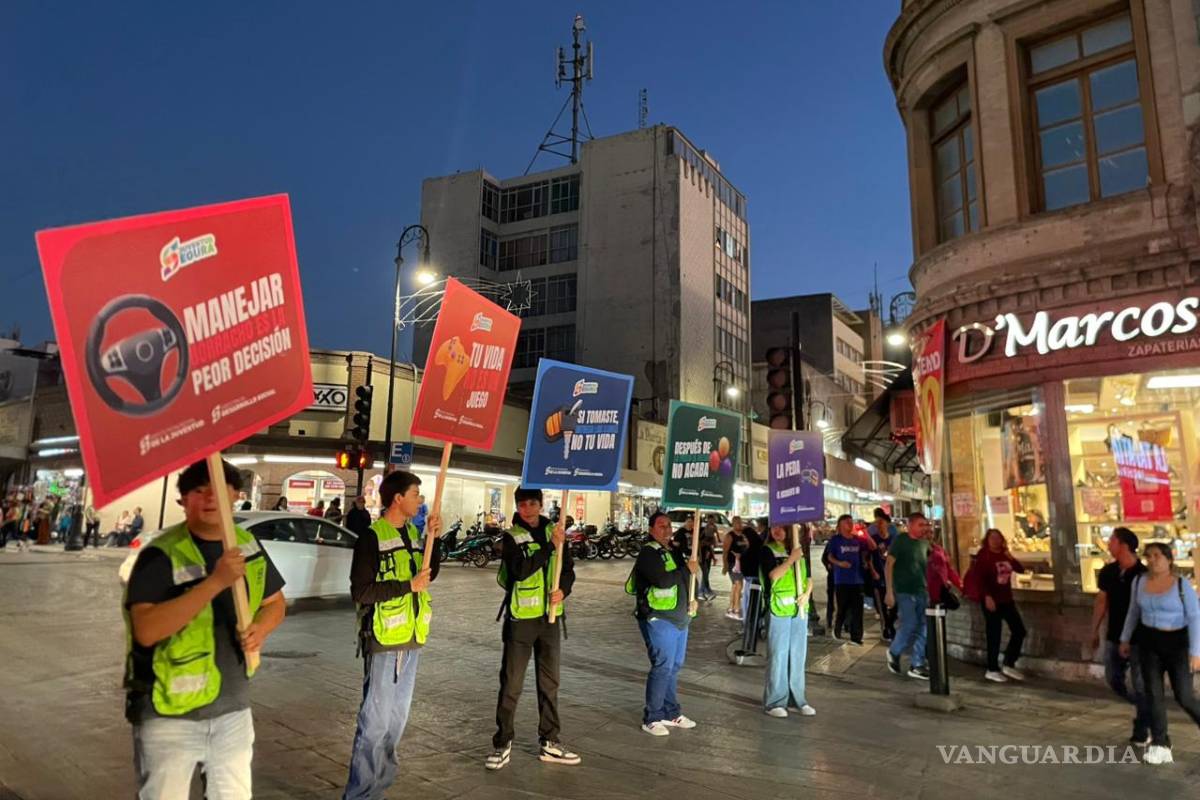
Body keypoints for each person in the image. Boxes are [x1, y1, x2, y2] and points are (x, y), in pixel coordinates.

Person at [124, 459, 287, 799]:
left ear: (236, 496)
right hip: (168, 713)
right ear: (182, 501)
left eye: (218, 489)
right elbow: (147, 630)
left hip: (233, 709)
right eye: (198, 490)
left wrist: (261, 627)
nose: (209, 498)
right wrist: (215, 582)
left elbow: (275, 603)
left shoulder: (248, 545)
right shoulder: (160, 555)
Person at [343, 470, 442, 799]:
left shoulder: (414, 533)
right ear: (398, 498)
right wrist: (406, 586)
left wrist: (433, 540)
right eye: (416, 494)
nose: (420, 500)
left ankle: (379, 788)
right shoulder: (372, 538)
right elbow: (361, 591)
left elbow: (428, 575)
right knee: (375, 722)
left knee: (396, 722)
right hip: (384, 642)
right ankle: (360, 794)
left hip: (412, 640)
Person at [486, 488, 579, 771]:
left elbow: (569, 570)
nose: (527, 509)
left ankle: (550, 740)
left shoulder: (556, 531)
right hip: (521, 621)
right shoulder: (512, 536)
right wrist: (549, 547)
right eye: (522, 504)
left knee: (550, 684)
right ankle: (502, 743)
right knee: (511, 684)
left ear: (541, 505)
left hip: (550, 620)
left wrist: (563, 590)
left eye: (532, 504)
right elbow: (520, 570)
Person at [1119, 543, 1200, 765]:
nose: (1152, 560)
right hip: (1149, 642)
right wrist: (1125, 638)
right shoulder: (1140, 582)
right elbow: (1133, 611)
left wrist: (1196, 652)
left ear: (1169, 558)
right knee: (1153, 694)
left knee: (1184, 695)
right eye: (1149, 556)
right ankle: (1161, 742)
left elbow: (1194, 617)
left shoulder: (1181, 585)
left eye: (1157, 555)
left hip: (1176, 643)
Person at [628, 511, 698, 736]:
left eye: (668, 525)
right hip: (659, 619)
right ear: (651, 530)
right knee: (663, 666)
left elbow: (685, 580)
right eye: (661, 526)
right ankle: (653, 716)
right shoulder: (648, 553)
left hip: (680, 618)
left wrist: (692, 600)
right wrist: (686, 569)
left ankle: (671, 712)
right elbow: (662, 580)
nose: (666, 529)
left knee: (675, 666)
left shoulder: (674, 551)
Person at [1091, 527, 1150, 745]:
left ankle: (1143, 726)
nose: (1108, 544)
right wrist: (1094, 630)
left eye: (1111, 540)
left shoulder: (1143, 574)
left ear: (1123, 545)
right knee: (1113, 679)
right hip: (1114, 634)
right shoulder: (1108, 572)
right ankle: (1146, 708)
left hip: (1139, 638)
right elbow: (1101, 602)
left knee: (1140, 682)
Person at [760, 524, 816, 718]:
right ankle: (775, 702)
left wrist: (807, 595)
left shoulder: (798, 549)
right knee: (779, 655)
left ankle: (797, 700)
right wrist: (791, 559)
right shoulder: (767, 551)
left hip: (799, 610)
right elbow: (773, 576)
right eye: (774, 527)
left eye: (781, 527)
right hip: (778, 610)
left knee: (798, 656)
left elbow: (809, 578)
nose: (777, 531)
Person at [972, 529, 1027, 682]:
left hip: (1006, 599)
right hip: (991, 600)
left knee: (1019, 630)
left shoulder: (1004, 555)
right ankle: (992, 668)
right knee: (994, 634)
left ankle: (1009, 662)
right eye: (992, 538)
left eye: (998, 538)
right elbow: (979, 579)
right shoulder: (983, 556)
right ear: (987, 540)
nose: (996, 541)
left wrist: (1011, 557)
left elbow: (1020, 570)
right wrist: (987, 596)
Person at [885, 512, 932, 680]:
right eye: (920, 525)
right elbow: (889, 564)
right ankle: (894, 651)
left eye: (926, 524)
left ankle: (917, 663)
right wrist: (889, 591)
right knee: (910, 623)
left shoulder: (925, 543)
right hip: (905, 590)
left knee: (924, 627)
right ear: (910, 525)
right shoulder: (901, 541)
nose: (924, 528)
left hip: (922, 590)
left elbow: (928, 564)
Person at [826, 515, 866, 645]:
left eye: (851, 521)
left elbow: (871, 547)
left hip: (857, 579)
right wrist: (839, 563)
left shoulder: (857, 540)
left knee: (857, 609)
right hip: (842, 580)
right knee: (842, 607)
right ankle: (837, 629)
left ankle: (857, 636)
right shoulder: (835, 540)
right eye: (846, 522)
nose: (850, 524)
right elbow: (829, 556)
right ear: (840, 525)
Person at [868, 508, 897, 640]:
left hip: (893, 578)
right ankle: (887, 628)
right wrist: (873, 571)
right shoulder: (873, 540)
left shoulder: (894, 540)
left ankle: (889, 625)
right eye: (877, 523)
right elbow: (868, 558)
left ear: (887, 524)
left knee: (896, 604)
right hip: (879, 577)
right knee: (882, 606)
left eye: (881, 523)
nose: (879, 525)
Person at [739, 517, 766, 623]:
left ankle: (752, 624)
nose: (744, 541)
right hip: (754, 579)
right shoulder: (758, 548)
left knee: (750, 604)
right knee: (753, 604)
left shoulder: (752, 551)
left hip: (752, 580)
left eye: (745, 538)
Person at [722, 520, 747, 620]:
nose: (740, 524)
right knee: (738, 585)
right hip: (733, 564)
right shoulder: (730, 536)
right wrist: (725, 565)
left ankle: (731, 608)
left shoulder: (743, 535)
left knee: (735, 586)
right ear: (733, 524)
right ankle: (736, 609)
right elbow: (725, 551)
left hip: (741, 564)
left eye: (740, 523)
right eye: (737, 523)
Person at [697, 515, 718, 602]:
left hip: (707, 555)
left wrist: (713, 557)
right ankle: (704, 591)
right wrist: (701, 557)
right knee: (704, 573)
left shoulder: (711, 530)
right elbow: (700, 544)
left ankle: (704, 591)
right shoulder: (701, 531)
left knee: (706, 573)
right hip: (702, 555)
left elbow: (711, 545)